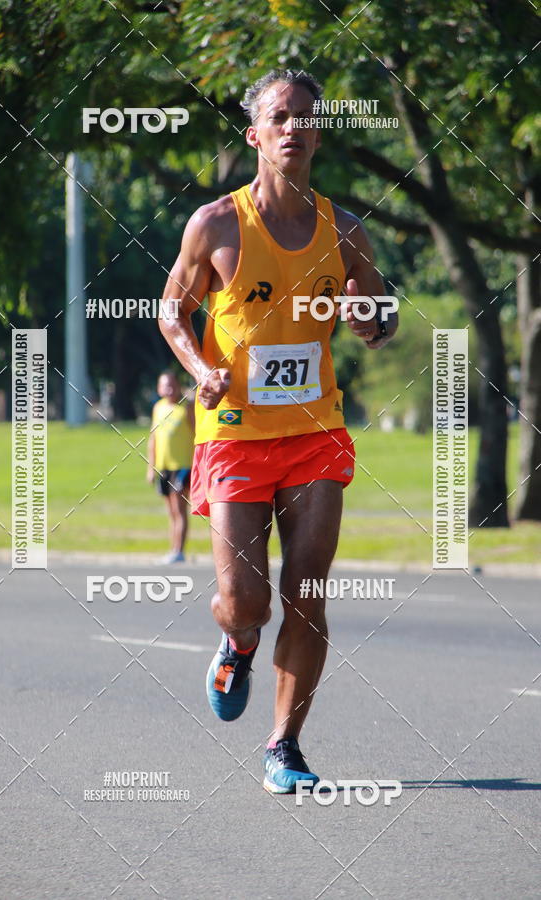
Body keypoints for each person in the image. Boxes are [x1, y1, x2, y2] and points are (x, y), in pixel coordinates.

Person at [158, 69, 398, 792]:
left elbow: (381, 314)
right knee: (247, 602)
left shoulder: (344, 230)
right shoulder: (216, 224)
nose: (293, 127)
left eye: (304, 117)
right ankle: (236, 642)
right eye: (279, 117)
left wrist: (371, 318)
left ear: (318, 135)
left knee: (308, 590)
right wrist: (201, 366)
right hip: (233, 433)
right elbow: (172, 310)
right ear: (255, 134)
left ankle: (283, 747)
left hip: (315, 431)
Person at [147, 371, 194, 564]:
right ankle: (173, 549)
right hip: (163, 466)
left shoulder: (187, 407)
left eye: (172, 385)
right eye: (165, 385)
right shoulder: (158, 408)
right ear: (159, 388)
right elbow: (153, 439)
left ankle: (179, 551)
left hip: (182, 465)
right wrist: (151, 467)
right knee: (171, 512)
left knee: (179, 509)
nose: (169, 389)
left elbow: (198, 434)